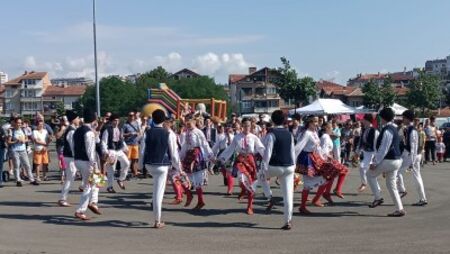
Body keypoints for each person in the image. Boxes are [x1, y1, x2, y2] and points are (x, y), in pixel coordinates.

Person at [141, 109, 182, 228]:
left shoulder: (147, 132)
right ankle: (157, 220)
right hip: (162, 165)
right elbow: (174, 154)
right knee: (158, 193)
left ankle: (157, 218)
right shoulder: (169, 133)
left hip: (149, 165)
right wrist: (178, 168)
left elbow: (142, 150)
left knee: (155, 188)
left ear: (152, 119)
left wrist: (140, 165)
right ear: (164, 120)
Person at [219, 117, 265, 215]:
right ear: (241, 126)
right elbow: (230, 149)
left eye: (248, 125)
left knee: (251, 183)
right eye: (244, 126)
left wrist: (268, 157)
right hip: (240, 160)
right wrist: (222, 158)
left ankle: (249, 206)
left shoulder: (254, 137)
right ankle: (243, 189)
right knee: (242, 178)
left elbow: (261, 148)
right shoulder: (237, 137)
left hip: (250, 160)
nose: (247, 127)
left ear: (251, 126)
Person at [367, 107, 405, 217]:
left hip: (390, 160)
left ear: (383, 117)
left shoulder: (388, 130)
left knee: (369, 174)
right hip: (396, 160)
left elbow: (384, 148)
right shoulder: (394, 128)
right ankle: (399, 209)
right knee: (391, 185)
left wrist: (375, 163)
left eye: (380, 117)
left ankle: (378, 198)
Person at [261, 110, 296, 230]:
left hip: (275, 167)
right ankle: (288, 221)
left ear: (272, 121)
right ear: (284, 121)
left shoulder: (271, 134)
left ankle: (269, 196)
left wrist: (265, 171)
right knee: (288, 196)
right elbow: (292, 152)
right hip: (289, 167)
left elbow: (267, 153)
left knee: (260, 176)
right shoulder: (289, 134)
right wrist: (294, 167)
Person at [180, 117, 214, 210]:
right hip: (188, 155)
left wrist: (211, 156)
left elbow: (204, 144)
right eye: (186, 121)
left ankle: (200, 201)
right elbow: (185, 146)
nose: (187, 123)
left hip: (196, 156)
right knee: (182, 177)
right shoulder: (187, 132)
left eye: (189, 121)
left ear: (194, 122)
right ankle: (189, 194)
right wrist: (180, 157)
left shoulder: (198, 132)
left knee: (197, 180)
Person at [74, 108, 102, 220]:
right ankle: (81, 210)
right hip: (87, 161)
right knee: (88, 186)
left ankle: (94, 202)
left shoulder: (77, 130)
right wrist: (94, 165)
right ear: (93, 120)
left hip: (78, 160)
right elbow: (90, 151)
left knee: (98, 181)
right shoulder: (89, 133)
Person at [396, 110, 427, 206]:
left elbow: (414, 147)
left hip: (412, 155)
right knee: (417, 176)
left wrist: (411, 163)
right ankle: (423, 198)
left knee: (397, 172)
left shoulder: (412, 130)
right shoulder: (410, 129)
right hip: (413, 155)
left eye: (404, 117)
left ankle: (402, 190)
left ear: (407, 118)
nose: (402, 119)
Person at [102, 114, 130, 193]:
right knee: (112, 169)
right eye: (115, 120)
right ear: (111, 121)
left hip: (119, 150)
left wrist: (125, 148)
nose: (116, 122)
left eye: (117, 120)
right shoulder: (107, 130)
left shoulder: (120, 129)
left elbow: (121, 139)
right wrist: (106, 152)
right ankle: (110, 186)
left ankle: (121, 179)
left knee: (127, 163)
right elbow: (104, 142)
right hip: (111, 150)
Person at [7, 117, 39, 187]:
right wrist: (16, 141)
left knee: (27, 165)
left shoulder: (23, 130)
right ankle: (18, 180)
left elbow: (27, 139)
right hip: (15, 150)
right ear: (15, 123)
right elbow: (8, 142)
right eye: (18, 123)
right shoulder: (11, 131)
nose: (19, 124)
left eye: (20, 123)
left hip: (23, 150)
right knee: (16, 166)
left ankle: (32, 180)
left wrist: (24, 141)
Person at [58, 110, 80, 207]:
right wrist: (76, 157)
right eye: (77, 118)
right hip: (70, 157)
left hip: (70, 157)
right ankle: (63, 198)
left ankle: (63, 197)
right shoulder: (71, 130)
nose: (79, 120)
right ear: (74, 119)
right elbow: (72, 145)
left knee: (71, 177)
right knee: (70, 178)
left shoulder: (73, 129)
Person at [355, 114, 380, 193]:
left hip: (372, 153)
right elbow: (361, 142)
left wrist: (376, 156)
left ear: (367, 120)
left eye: (364, 120)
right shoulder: (364, 129)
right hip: (366, 152)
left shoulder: (375, 131)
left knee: (364, 168)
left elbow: (376, 144)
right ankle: (373, 187)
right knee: (367, 170)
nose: (362, 121)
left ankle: (364, 183)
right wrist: (357, 152)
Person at [123, 111, 141, 177]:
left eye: (133, 115)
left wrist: (137, 134)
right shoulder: (125, 125)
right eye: (130, 115)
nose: (131, 117)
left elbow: (139, 132)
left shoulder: (136, 123)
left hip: (135, 143)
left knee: (135, 159)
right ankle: (125, 173)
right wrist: (129, 134)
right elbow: (122, 134)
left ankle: (135, 172)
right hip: (128, 144)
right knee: (127, 160)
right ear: (128, 116)